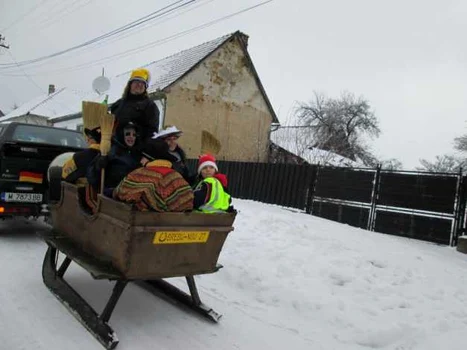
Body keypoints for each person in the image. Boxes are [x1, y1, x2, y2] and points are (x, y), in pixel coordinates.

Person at [113, 138, 194, 212]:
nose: (141, 160)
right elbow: (187, 199)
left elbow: (118, 192)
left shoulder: (136, 174)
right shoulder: (176, 177)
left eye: (143, 157)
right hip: (175, 223)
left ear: (149, 158)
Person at [110, 68, 160, 143]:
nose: (139, 84)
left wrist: (135, 130)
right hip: (116, 145)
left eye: (142, 83)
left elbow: (153, 132)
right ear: (130, 85)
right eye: (136, 81)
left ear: (145, 88)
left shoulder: (150, 106)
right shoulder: (118, 104)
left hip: (136, 148)